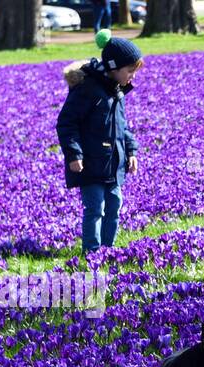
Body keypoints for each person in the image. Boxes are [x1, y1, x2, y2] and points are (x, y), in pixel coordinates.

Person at [56, 30, 142, 254]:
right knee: (95, 209)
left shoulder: (116, 91)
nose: (132, 76)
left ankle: (108, 250)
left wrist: (131, 151)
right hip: (91, 163)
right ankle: (92, 252)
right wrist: (74, 154)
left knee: (114, 207)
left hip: (114, 164)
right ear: (114, 68)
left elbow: (122, 126)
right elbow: (67, 123)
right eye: (129, 71)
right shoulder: (88, 90)